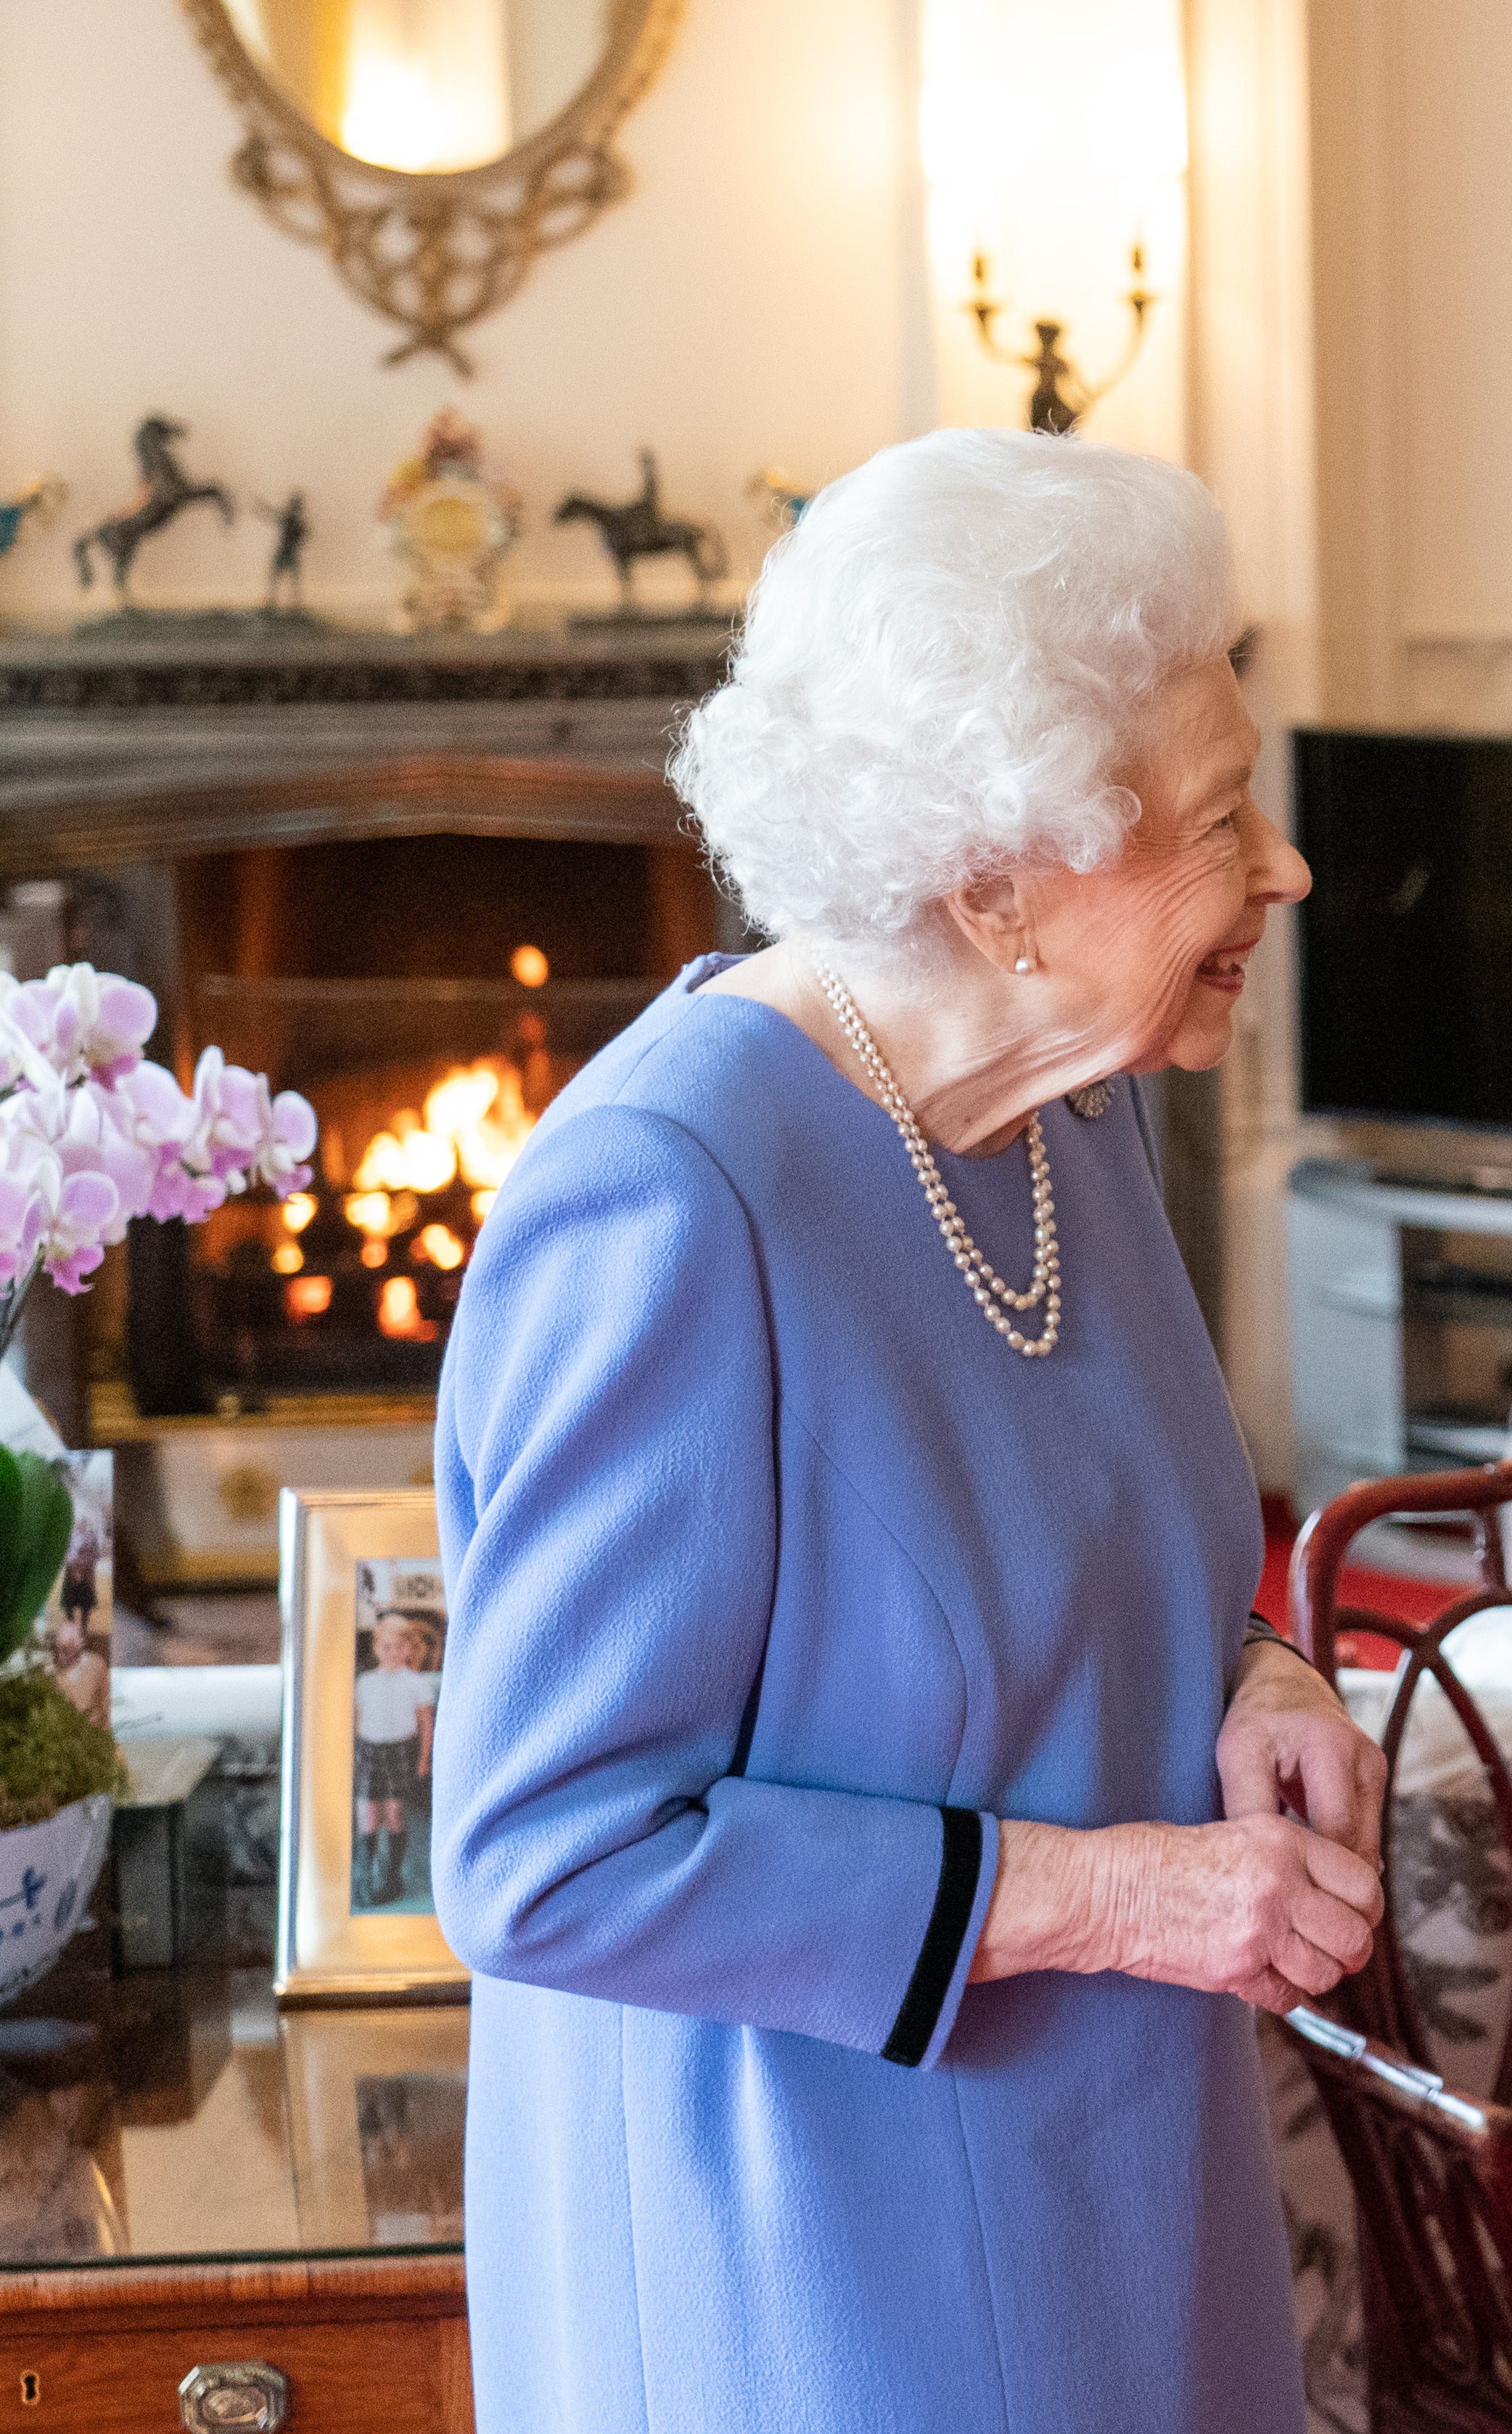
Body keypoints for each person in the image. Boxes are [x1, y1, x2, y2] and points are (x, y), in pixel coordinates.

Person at [432, 427, 1385, 2434]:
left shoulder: (1080, 1105)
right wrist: (1130, 1896)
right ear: (999, 887)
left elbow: (1080, 1536)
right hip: (804, 2268)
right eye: (1222, 823)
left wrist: (1253, 1661)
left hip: (1115, 2179)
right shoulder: (671, 1194)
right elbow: (547, 1855)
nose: (1283, 869)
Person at [353, 1606, 441, 1907]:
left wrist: (424, 1760)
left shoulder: (416, 1683)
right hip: (369, 1753)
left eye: (399, 1646)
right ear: (377, 1647)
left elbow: (427, 1725)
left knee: (393, 1815)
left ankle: (391, 1879)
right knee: (367, 1817)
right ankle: (365, 1880)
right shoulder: (365, 1682)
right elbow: (356, 1720)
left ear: (409, 1649)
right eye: (386, 1646)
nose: (392, 1652)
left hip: (399, 1753)